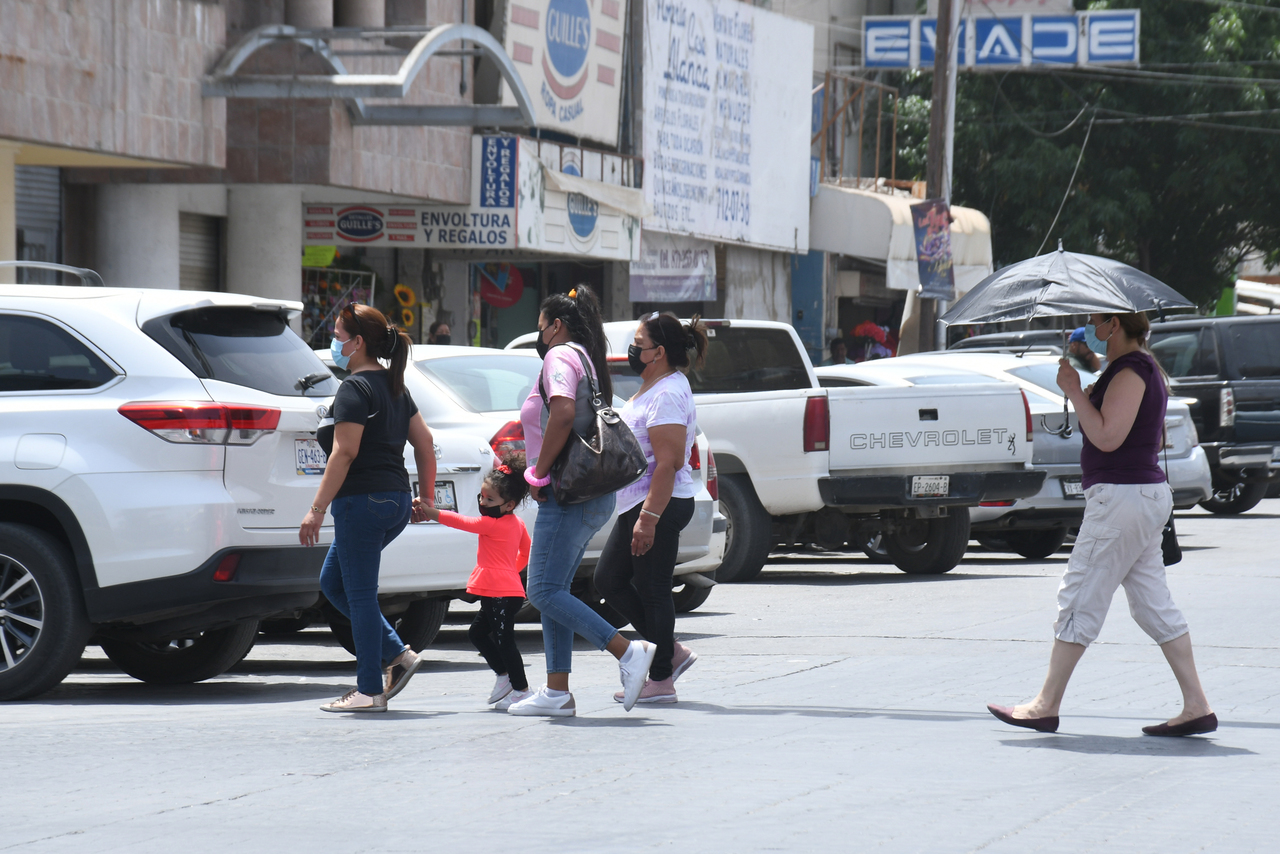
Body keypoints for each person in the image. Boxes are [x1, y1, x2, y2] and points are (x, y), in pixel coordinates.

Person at [988, 312, 1215, 737]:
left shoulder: (1130, 370)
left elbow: (1108, 438)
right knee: (1152, 604)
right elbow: (1148, 436)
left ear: (1115, 324)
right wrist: (1091, 398)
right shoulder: (1137, 369)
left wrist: (1075, 393)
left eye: (1095, 319)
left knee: (1080, 593)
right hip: (1137, 497)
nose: (1089, 326)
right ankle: (1197, 705)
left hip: (1121, 498)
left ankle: (1044, 705)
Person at [506, 286, 657, 717]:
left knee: (541, 589)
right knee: (554, 590)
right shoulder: (584, 356)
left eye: (540, 326)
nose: (539, 335)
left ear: (556, 325)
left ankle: (627, 651)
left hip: (566, 493)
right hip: (587, 495)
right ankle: (556, 692)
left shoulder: (559, 356)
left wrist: (537, 471)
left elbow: (564, 413)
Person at [300, 304, 437, 713]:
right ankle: (398, 654)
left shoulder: (354, 388)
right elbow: (425, 443)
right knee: (335, 584)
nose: (334, 342)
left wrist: (316, 508)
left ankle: (368, 690)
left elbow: (345, 452)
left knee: (359, 595)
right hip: (392, 500)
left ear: (358, 343)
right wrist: (425, 498)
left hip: (362, 502)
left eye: (338, 334)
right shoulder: (393, 386)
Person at [594, 311, 707, 704]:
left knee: (654, 590)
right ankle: (670, 651)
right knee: (609, 581)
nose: (632, 350)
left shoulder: (669, 393)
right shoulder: (651, 386)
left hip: (659, 503)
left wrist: (649, 518)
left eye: (638, 344)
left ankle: (661, 679)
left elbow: (670, 462)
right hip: (638, 504)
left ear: (658, 352)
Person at [414, 455, 533, 710]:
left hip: (501, 592)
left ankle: (521, 689)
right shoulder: (517, 523)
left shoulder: (492, 524)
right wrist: (510, 571)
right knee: (477, 633)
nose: (483, 502)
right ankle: (504, 676)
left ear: (509, 504)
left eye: (490, 499)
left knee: (504, 640)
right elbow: (526, 551)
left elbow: (462, 522)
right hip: (503, 591)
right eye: (482, 496)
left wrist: (430, 512)